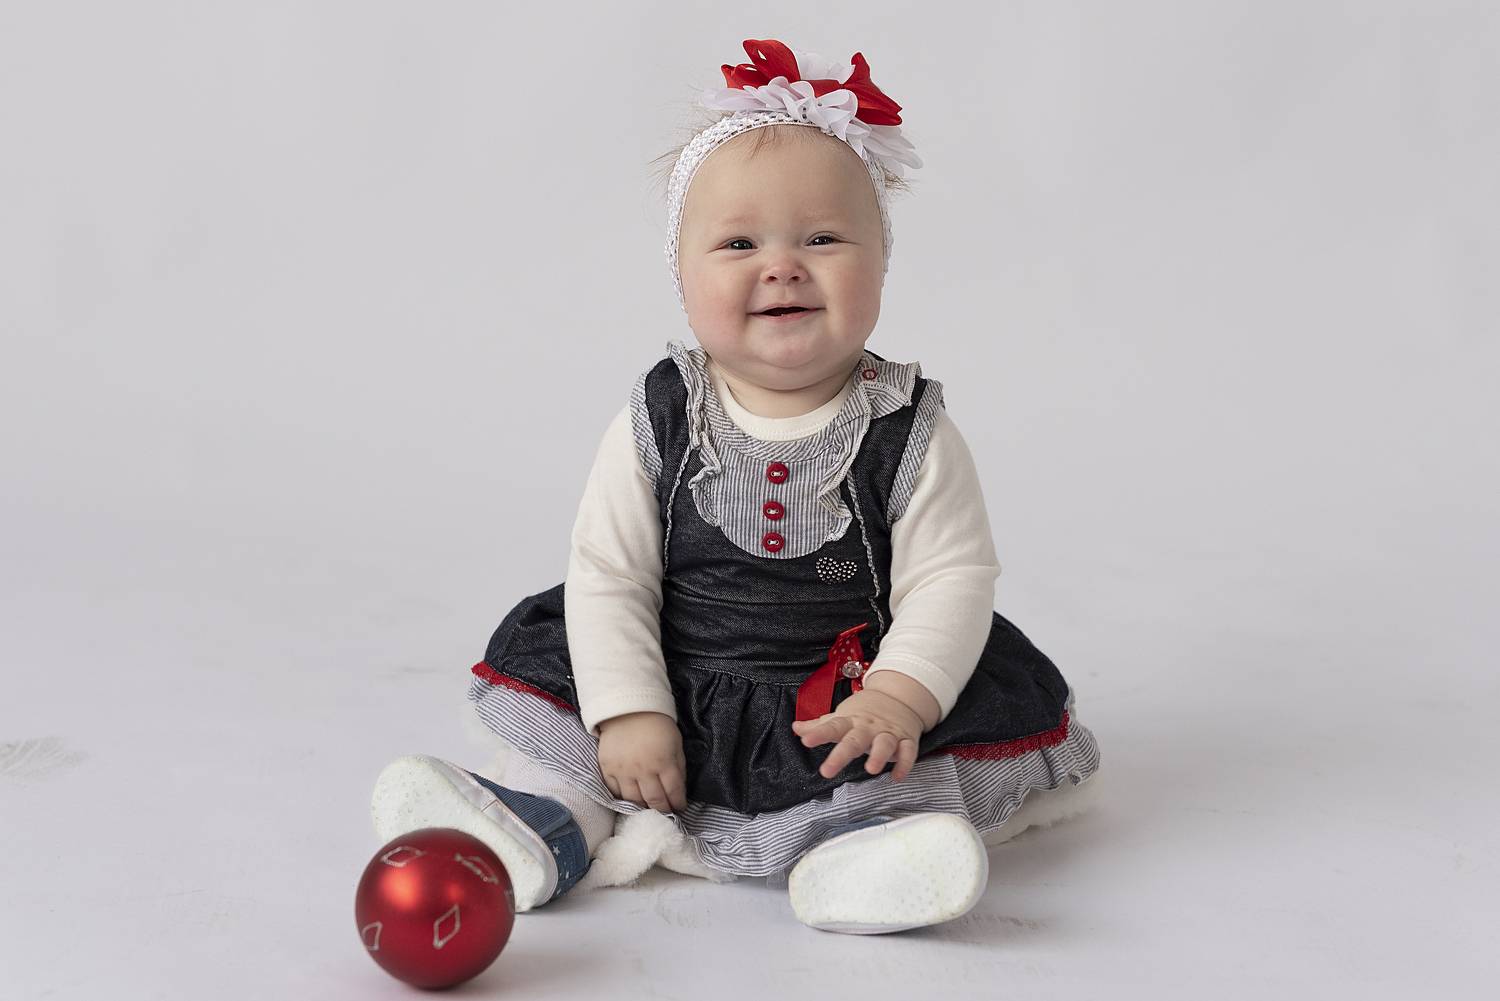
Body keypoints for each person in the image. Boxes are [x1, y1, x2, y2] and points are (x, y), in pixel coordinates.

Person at [371, 37, 1102, 935]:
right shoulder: (661, 415)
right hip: (668, 676)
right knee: (585, 747)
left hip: (835, 700)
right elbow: (610, 573)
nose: (782, 264)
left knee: (878, 768)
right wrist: (630, 709)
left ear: (882, 260)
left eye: (823, 238)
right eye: (739, 243)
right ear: (682, 277)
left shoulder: (907, 428)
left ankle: (861, 858)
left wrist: (899, 694)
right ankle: (535, 824)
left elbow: (950, 578)